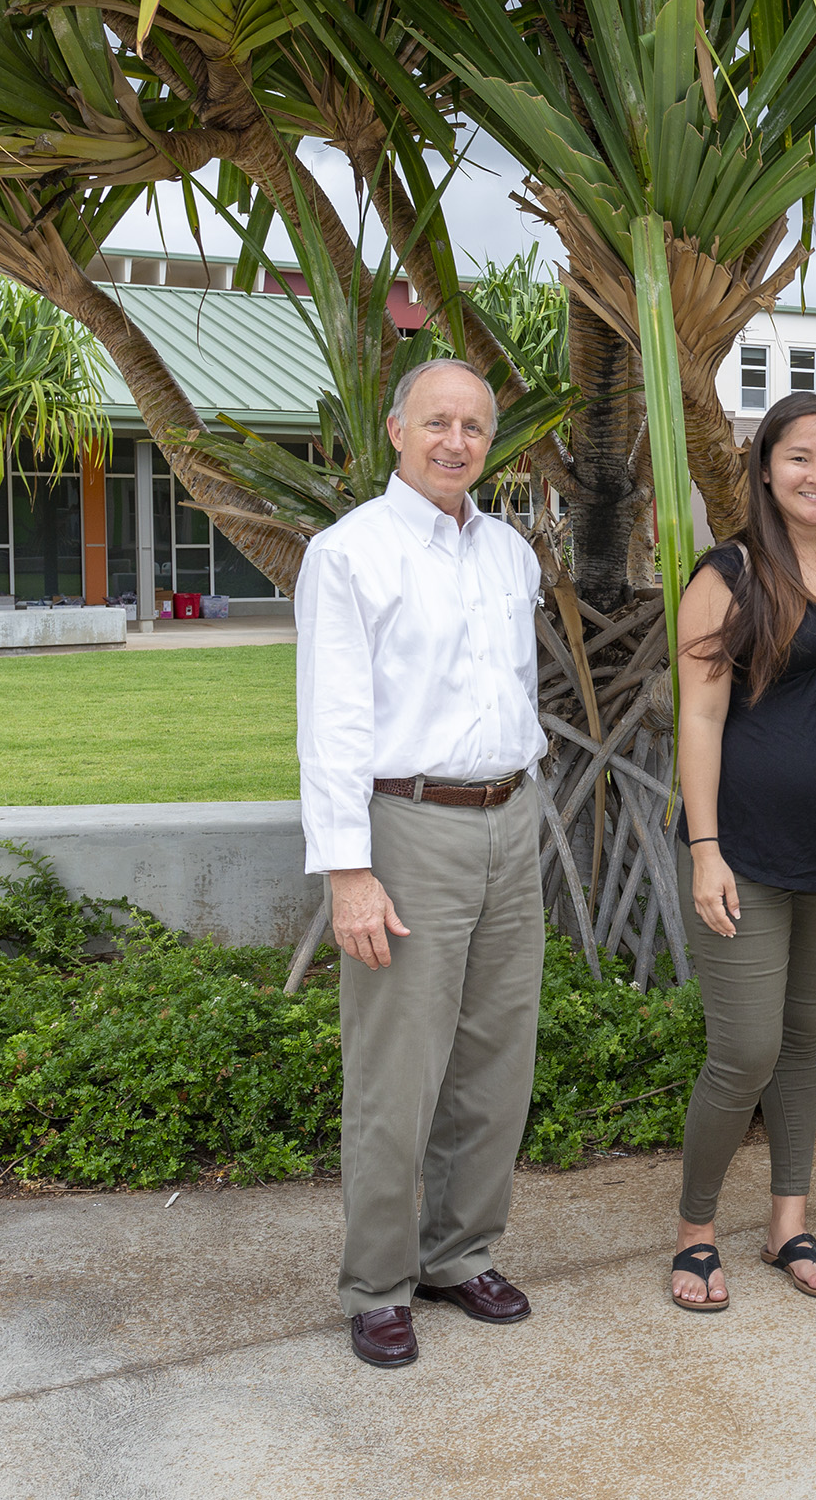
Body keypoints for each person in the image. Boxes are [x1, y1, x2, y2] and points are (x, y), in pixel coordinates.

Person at [295, 358, 549, 1370]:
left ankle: (460, 1250)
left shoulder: (510, 552)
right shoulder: (348, 553)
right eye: (436, 421)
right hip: (407, 827)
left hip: (511, 817)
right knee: (397, 1072)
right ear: (395, 429)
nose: (455, 440)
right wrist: (347, 871)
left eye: (475, 425)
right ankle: (378, 1282)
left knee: (495, 1059)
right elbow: (332, 723)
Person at [666, 392, 816, 1311]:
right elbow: (699, 714)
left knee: (802, 1041)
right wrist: (704, 846)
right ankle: (696, 1230)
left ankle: (787, 1222)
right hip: (749, 852)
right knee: (744, 1049)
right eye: (798, 457)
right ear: (765, 468)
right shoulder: (728, 573)